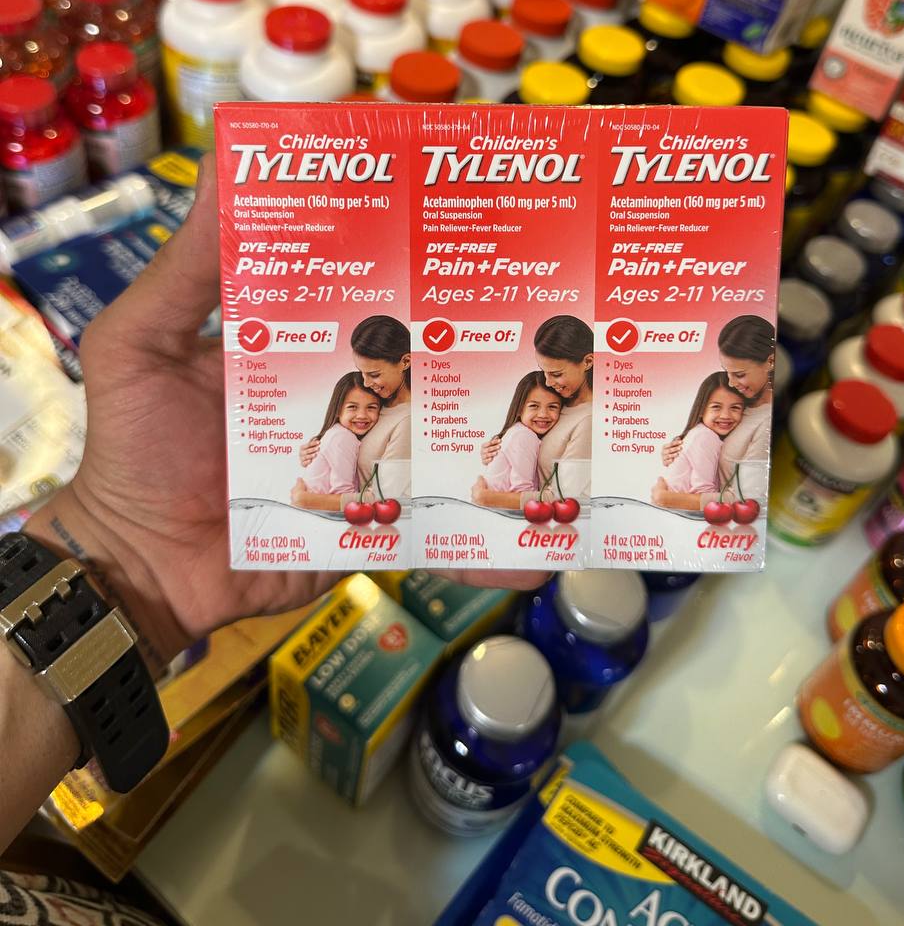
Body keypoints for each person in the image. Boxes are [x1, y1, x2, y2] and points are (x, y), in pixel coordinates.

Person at [0, 158, 539, 860]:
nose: (374, 397)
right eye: (365, 389)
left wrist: (125, 559)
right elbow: (318, 488)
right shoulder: (333, 432)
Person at [652, 315, 775, 511]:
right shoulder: (742, 401)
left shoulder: (767, 421)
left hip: (717, 519)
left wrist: (667, 498)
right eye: (727, 372)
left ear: (771, 361)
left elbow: (749, 501)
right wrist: (680, 452)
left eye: (739, 374)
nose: (732, 383)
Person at [473, 315, 593, 508]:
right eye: (544, 371)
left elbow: (567, 498)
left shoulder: (588, 420)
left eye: (556, 374)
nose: (548, 382)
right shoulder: (559, 400)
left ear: (587, 362)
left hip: (551, 520)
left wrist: (488, 498)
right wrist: (499, 452)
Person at [294, 315, 411, 510]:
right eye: (361, 372)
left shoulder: (407, 420)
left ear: (405, 362)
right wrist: (318, 451)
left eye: (374, 374)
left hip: (372, 521)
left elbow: (387, 498)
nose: (366, 383)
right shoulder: (377, 401)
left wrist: (307, 500)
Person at [653, 372, 745, 509]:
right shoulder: (705, 437)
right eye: (716, 407)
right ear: (701, 410)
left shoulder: (702, 434)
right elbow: (703, 491)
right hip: (680, 512)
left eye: (735, 407)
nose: (725, 415)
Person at [291, 373, 382, 502]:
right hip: (320, 510)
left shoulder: (338, 433)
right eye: (352, 407)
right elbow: (343, 492)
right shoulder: (342, 437)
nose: (362, 415)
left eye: (371, 407)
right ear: (338, 410)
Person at [481, 371, 563, 500]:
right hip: (502, 509)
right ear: (519, 409)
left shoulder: (520, 432)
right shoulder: (524, 436)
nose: (543, 414)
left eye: (552, 407)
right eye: (534, 406)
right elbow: (522, 491)